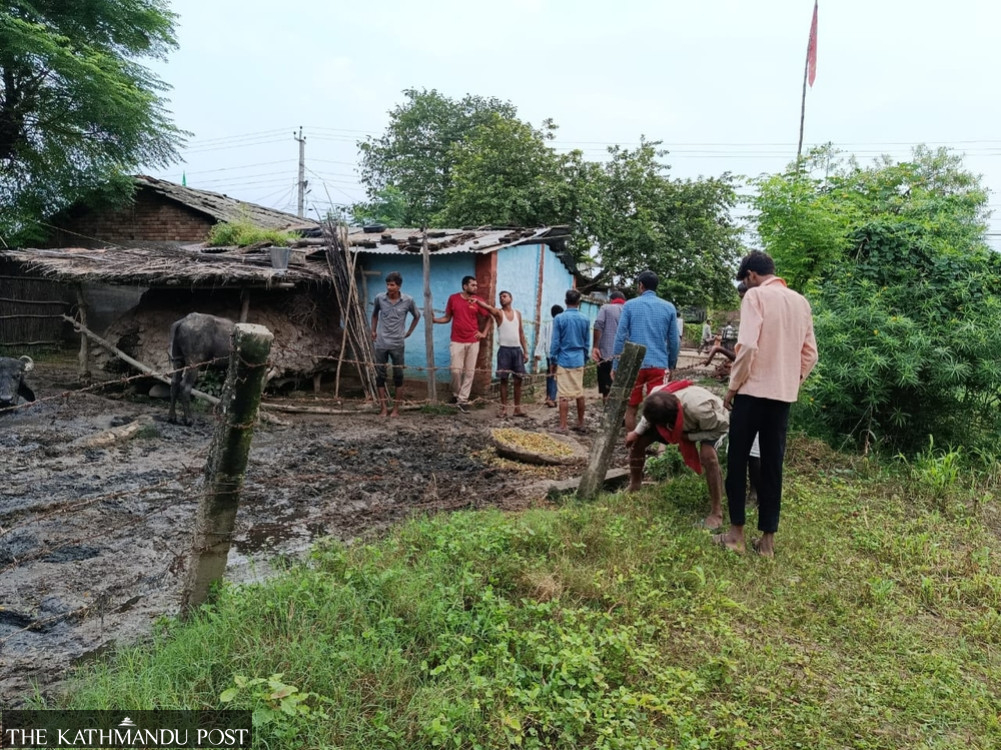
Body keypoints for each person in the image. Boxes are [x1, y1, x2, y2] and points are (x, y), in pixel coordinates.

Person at [713, 251, 818, 558]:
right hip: (782, 398)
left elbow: (746, 347)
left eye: (745, 282)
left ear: (751, 276)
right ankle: (768, 543)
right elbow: (810, 354)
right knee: (773, 465)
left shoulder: (755, 297)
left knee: (738, 460)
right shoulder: (801, 302)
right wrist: (791, 380)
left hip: (752, 393)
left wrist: (733, 388)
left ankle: (736, 536)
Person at [625, 381, 729, 530]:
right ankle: (634, 485)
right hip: (675, 423)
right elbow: (647, 418)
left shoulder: (700, 409)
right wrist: (636, 433)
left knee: (708, 457)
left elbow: (722, 427)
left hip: (712, 424)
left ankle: (716, 512)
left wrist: (689, 438)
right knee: (638, 442)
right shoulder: (657, 395)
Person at [611, 270, 680, 432]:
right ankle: (654, 445)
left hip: (635, 364)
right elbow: (674, 341)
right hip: (658, 363)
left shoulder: (629, 305)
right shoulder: (669, 307)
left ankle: (632, 443)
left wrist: (616, 365)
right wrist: (671, 365)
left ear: (640, 285)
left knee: (631, 407)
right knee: (658, 407)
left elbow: (620, 337)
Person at [433, 275, 495, 411]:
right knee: (455, 370)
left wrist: (483, 333)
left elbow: (490, 316)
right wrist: (435, 320)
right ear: (464, 286)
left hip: (473, 341)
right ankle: (456, 395)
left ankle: (463, 399)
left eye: (476, 285)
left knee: (469, 372)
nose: (475, 287)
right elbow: (447, 318)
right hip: (456, 340)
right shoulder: (453, 299)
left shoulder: (478, 301)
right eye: (472, 285)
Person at [371, 271, 421, 417]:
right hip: (381, 343)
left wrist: (410, 332)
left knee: (398, 375)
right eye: (387, 284)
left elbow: (417, 316)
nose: (389, 287)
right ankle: (383, 408)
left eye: (392, 285)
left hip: (398, 344)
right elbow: (374, 315)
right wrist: (373, 330)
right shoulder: (380, 298)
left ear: (399, 286)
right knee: (380, 375)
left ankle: (396, 409)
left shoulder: (408, 300)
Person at [549, 289, 590, 433]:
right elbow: (586, 343)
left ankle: (563, 425)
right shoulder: (585, 319)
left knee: (564, 394)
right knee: (579, 392)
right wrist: (585, 357)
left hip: (564, 358)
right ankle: (580, 422)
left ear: (566, 302)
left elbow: (555, 342)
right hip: (579, 358)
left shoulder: (559, 318)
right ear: (578, 303)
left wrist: (553, 359)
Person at [490, 290, 529, 417]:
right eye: (500, 297)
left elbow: (521, 333)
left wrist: (525, 352)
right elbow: (489, 308)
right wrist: (478, 302)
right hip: (504, 350)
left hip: (517, 350)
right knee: (504, 380)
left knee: (518, 380)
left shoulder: (517, 314)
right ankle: (504, 409)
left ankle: (517, 409)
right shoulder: (499, 313)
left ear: (511, 299)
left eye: (505, 296)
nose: (502, 299)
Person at [591, 290, 626, 404]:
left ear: (611, 300)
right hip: (624, 355)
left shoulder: (605, 308)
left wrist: (595, 346)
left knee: (607, 388)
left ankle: (607, 414)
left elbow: (598, 325)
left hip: (606, 354)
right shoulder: (629, 309)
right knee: (622, 388)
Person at [534, 304, 563, 407]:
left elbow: (542, 339)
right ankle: (551, 398)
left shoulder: (547, 325)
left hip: (548, 354)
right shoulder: (561, 324)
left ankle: (548, 396)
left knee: (549, 375)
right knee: (554, 375)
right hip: (557, 354)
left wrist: (538, 352)